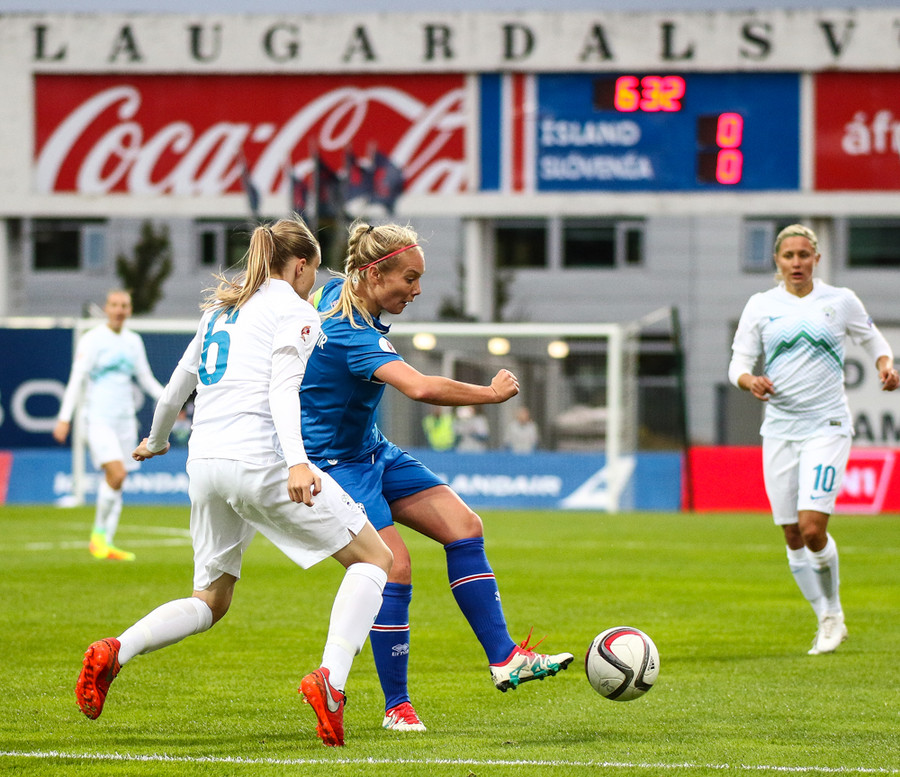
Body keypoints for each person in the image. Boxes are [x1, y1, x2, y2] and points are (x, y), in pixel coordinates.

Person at [74, 217, 393, 748]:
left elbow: (176, 388)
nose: (314, 283)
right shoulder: (296, 310)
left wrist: (156, 440)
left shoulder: (220, 309)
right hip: (260, 460)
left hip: (205, 464)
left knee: (210, 600)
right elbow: (283, 390)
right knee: (375, 559)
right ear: (300, 265)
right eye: (314, 271)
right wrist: (297, 462)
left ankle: (116, 650)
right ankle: (332, 683)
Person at [300, 221, 573, 733]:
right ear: (374, 274)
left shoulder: (338, 291)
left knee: (465, 525)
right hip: (333, 466)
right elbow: (421, 388)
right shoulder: (351, 333)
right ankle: (396, 707)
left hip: (371, 450)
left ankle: (505, 658)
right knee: (394, 567)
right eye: (410, 278)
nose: (418, 290)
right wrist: (490, 394)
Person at [728, 223, 898, 656]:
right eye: (789, 256)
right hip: (779, 430)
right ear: (777, 261)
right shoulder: (761, 305)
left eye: (804, 255)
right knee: (791, 534)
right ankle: (824, 615)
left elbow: (873, 340)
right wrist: (750, 380)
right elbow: (738, 364)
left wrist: (884, 365)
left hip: (827, 426)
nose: (797, 262)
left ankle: (832, 614)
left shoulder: (840, 301)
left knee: (811, 528)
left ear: (816, 259)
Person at [53, 289, 164, 561]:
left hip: (125, 422)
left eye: (124, 305)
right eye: (114, 305)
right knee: (117, 473)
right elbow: (77, 379)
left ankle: (106, 542)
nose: (119, 310)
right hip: (98, 419)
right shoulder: (92, 339)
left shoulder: (133, 341)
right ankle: (99, 537)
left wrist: (171, 401)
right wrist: (64, 417)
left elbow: (146, 379)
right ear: (106, 308)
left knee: (117, 480)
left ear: (129, 310)